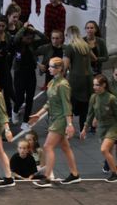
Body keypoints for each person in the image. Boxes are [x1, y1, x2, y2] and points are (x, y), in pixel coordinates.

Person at [28, 57, 80, 187]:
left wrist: (69, 124)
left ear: (60, 69)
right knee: (65, 147)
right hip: (54, 119)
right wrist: (38, 114)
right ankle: (74, 174)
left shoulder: (63, 85)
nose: (49, 69)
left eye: (52, 67)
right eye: (49, 66)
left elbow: (67, 106)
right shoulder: (52, 82)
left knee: (47, 146)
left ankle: (47, 178)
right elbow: (49, 102)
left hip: (60, 119)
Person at [81, 74, 117, 182]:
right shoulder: (93, 97)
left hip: (113, 127)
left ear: (104, 85)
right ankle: (112, 169)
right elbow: (90, 114)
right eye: (94, 85)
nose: (94, 87)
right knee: (109, 152)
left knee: (104, 149)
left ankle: (115, 173)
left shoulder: (111, 98)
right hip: (101, 128)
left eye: (97, 85)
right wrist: (84, 129)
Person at [63, 26, 94, 132]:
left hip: (75, 79)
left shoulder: (70, 47)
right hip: (89, 78)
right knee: (85, 107)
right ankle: (83, 130)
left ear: (68, 35)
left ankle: (69, 129)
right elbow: (94, 58)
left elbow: (65, 67)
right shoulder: (85, 45)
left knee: (70, 106)